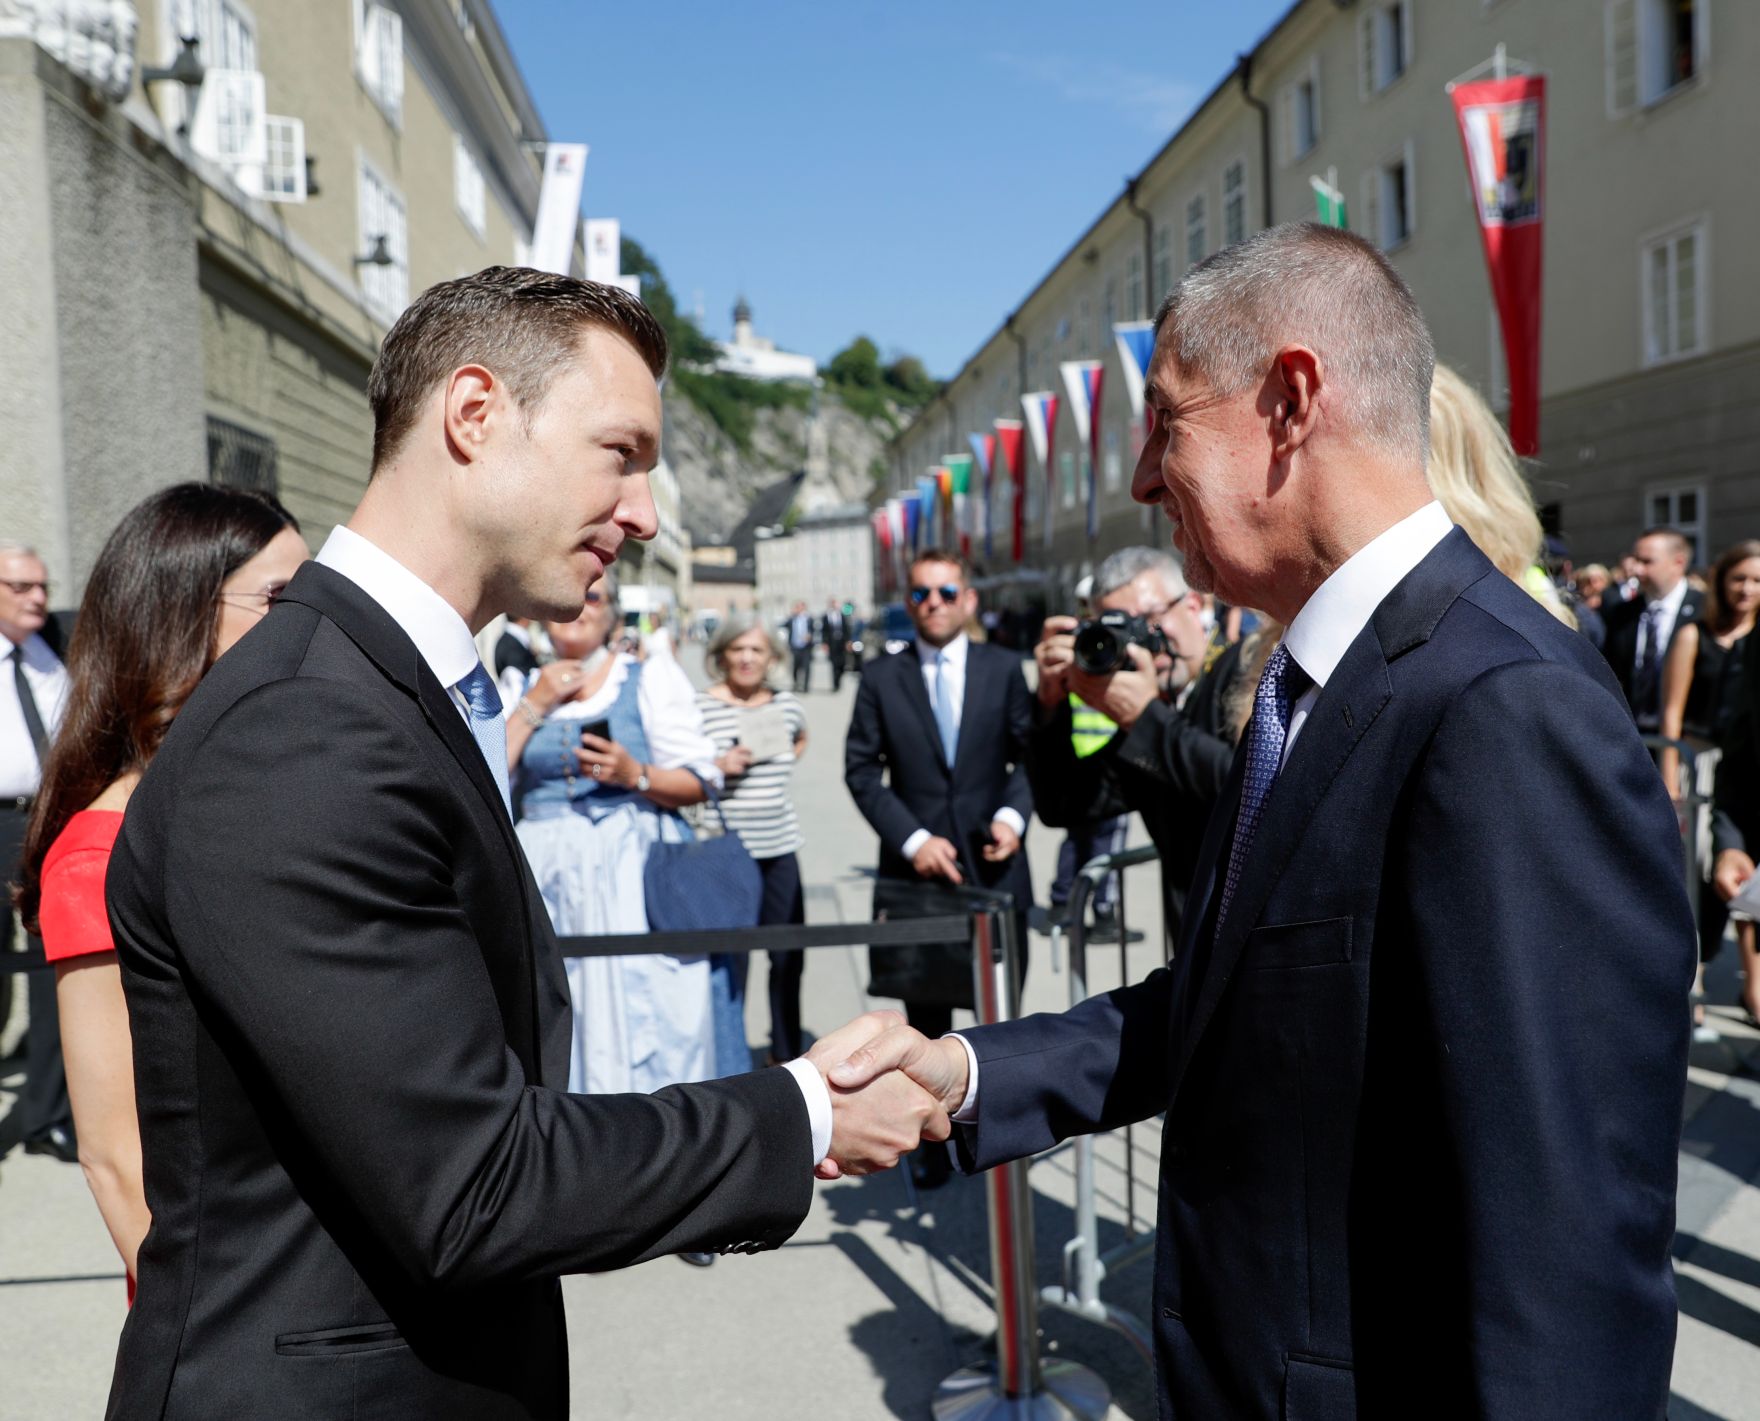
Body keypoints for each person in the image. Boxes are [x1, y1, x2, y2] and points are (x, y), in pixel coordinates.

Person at [832, 223, 1693, 1417]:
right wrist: (967, 1071)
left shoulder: (1503, 703)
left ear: (1288, 402)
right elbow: (1232, 1004)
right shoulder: (1317, 682)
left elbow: (1564, 1233)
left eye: (1164, 422)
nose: (1142, 477)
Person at [102, 267, 945, 1420]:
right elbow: (469, 1179)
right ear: (474, 413)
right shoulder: (303, 727)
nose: (644, 513)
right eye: (620, 452)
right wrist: (804, 1110)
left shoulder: (375, 689)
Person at [13, 485, 306, 1293]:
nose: (310, 620)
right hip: (235, 1300)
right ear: (182, 617)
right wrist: (213, 1321)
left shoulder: (269, 794)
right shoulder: (98, 854)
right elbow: (116, 1157)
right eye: (280, 597)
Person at [843, 547, 1033, 1189]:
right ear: (909, 603)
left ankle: (999, 1131)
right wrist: (914, 839)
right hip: (919, 877)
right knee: (924, 1019)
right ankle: (929, 1141)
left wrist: (1012, 818)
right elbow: (861, 770)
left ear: (968, 599)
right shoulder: (881, 677)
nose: (934, 604)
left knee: (999, 1006)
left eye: (947, 592)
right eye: (922, 593)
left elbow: (1027, 759)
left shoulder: (1003, 668)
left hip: (994, 870)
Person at [502, 588, 727, 1096]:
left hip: (631, 871)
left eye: (594, 597)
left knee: (641, 1002)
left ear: (612, 616)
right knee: (556, 1002)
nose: (578, 607)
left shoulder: (646, 677)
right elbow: (483, 778)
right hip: (543, 873)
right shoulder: (519, 685)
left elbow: (702, 780)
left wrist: (635, 774)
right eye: (568, 595)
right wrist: (535, 705)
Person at [1028, 546, 1236, 943]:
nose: (1141, 644)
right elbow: (1065, 805)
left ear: (1193, 606)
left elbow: (1245, 787)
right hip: (1193, 950)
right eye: (1123, 631)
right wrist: (1050, 707)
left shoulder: (1245, 672)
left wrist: (1145, 720)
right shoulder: (1154, 713)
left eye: (1149, 621)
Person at [696, 618, 810, 1062]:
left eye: (757, 650)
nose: (747, 658)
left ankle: (785, 1053)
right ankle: (730, 1058)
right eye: (737, 649)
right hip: (725, 851)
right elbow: (679, 764)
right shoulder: (700, 706)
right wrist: (717, 765)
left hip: (780, 846)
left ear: (772, 658)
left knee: (788, 957)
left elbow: (801, 738)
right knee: (731, 962)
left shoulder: (787, 705)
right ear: (721, 655)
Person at [1661, 540, 1760, 1034]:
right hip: (1698, 767)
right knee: (1698, 878)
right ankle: (1694, 983)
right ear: (1722, 581)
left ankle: (1753, 986)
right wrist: (1668, 776)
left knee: (1743, 880)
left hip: (1746, 770)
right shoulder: (1694, 635)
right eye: (1739, 577)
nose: (1747, 589)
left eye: (1757, 580)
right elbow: (1672, 714)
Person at [0, 541, 74, 1164]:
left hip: (51, 822)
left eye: (42, 585)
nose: (39, 598)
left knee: (56, 968)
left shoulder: (55, 647)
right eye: (21, 587)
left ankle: (47, 1112)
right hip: (0, 820)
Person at [1602, 527, 1703, 729]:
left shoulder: (1704, 611)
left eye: (1647, 562)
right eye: (1636, 560)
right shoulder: (1623, 613)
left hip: (1686, 735)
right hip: (1633, 732)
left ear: (1678, 563)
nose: (1637, 570)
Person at [819, 598, 849, 692]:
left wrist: (848, 641)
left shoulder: (842, 616)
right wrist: (824, 643)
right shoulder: (826, 616)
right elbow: (824, 631)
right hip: (832, 643)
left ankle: (840, 677)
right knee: (834, 664)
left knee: (842, 663)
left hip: (842, 643)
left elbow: (847, 629)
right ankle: (835, 684)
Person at [787, 600, 814, 692]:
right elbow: (782, 625)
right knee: (795, 667)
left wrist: (810, 636)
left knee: (806, 667)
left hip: (806, 647)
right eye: (796, 607)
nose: (798, 609)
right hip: (795, 647)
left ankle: (805, 687)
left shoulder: (809, 619)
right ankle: (796, 683)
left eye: (799, 607)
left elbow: (814, 631)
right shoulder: (792, 619)